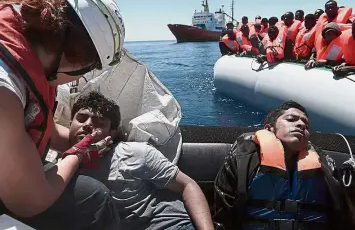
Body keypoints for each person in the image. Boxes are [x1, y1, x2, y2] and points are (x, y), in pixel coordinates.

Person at [0, 0, 125, 229]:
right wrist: (78, 154)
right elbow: (29, 200)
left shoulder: (15, 54)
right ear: (78, 61)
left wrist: (87, 140)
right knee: (95, 197)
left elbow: (41, 131)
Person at [70, 91, 214, 230]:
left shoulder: (135, 153)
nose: (88, 125)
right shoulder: (59, 170)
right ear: (70, 123)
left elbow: (187, 185)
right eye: (81, 119)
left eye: (99, 123)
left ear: (112, 133)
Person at [214, 100, 355, 230]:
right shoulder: (244, 157)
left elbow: (343, 209)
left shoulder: (325, 165)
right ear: (269, 128)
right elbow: (223, 212)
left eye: (306, 125)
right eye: (291, 119)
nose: (300, 125)